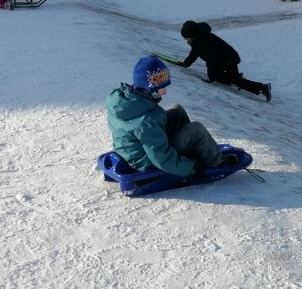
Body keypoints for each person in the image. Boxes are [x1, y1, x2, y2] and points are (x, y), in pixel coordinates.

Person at [105, 55, 237, 177]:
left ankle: (190, 148)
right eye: (161, 88)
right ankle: (217, 162)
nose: (165, 92)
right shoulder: (146, 121)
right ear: (149, 88)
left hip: (134, 151)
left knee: (176, 110)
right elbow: (160, 157)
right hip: (148, 161)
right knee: (197, 129)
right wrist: (191, 168)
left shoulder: (127, 101)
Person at [175, 20, 272, 102]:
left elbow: (211, 60)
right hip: (226, 59)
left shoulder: (203, 41)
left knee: (228, 79)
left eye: (186, 38)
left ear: (191, 35)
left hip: (228, 60)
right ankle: (247, 82)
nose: (186, 40)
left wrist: (211, 78)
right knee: (230, 78)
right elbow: (194, 54)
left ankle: (263, 88)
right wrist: (185, 64)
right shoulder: (200, 38)